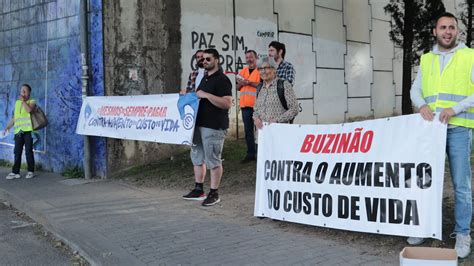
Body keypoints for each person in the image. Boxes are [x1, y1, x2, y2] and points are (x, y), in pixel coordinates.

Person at [410, 12, 474, 258]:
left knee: (461, 185)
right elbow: (416, 90)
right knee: (427, 182)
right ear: (435, 31)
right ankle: (425, 228)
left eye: (452, 27)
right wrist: (421, 105)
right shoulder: (426, 59)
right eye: (443, 27)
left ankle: (463, 233)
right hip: (432, 130)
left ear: (457, 32)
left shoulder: (469, 56)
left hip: (459, 128)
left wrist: (454, 109)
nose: (448, 31)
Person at [182, 48, 233, 206]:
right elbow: (198, 98)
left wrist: (207, 95)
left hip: (214, 126)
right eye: (203, 59)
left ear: (217, 60)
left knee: (213, 160)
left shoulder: (222, 79)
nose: (204, 62)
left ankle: (214, 192)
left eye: (208, 59)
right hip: (198, 125)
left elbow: (227, 103)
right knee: (197, 158)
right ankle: (199, 189)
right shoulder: (203, 78)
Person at [253, 56, 298, 129]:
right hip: (262, 133)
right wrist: (256, 119)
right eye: (260, 69)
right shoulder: (259, 87)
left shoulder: (284, 85)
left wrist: (277, 120)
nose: (263, 71)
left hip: (279, 132)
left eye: (266, 68)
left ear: (274, 69)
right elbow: (256, 109)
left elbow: (294, 109)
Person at [4, 84, 36, 180]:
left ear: (29, 93)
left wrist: (23, 101)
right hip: (18, 131)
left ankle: (30, 171)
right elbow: (15, 117)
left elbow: (29, 110)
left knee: (28, 151)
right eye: (22, 91)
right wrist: (8, 127)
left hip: (28, 131)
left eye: (25, 91)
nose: (23, 93)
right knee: (17, 152)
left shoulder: (32, 101)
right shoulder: (17, 103)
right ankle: (15, 172)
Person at [236, 50, 260, 163]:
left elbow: (261, 84)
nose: (249, 59)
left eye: (251, 57)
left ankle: (261, 153)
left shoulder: (260, 70)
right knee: (248, 132)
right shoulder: (243, 71)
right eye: (247, 57)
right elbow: (237, 87)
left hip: (258, 106)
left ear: (256, 57)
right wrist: (241, 82)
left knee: (260, 131)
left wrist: (248, 82)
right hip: (245, 106)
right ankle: (250, 154)